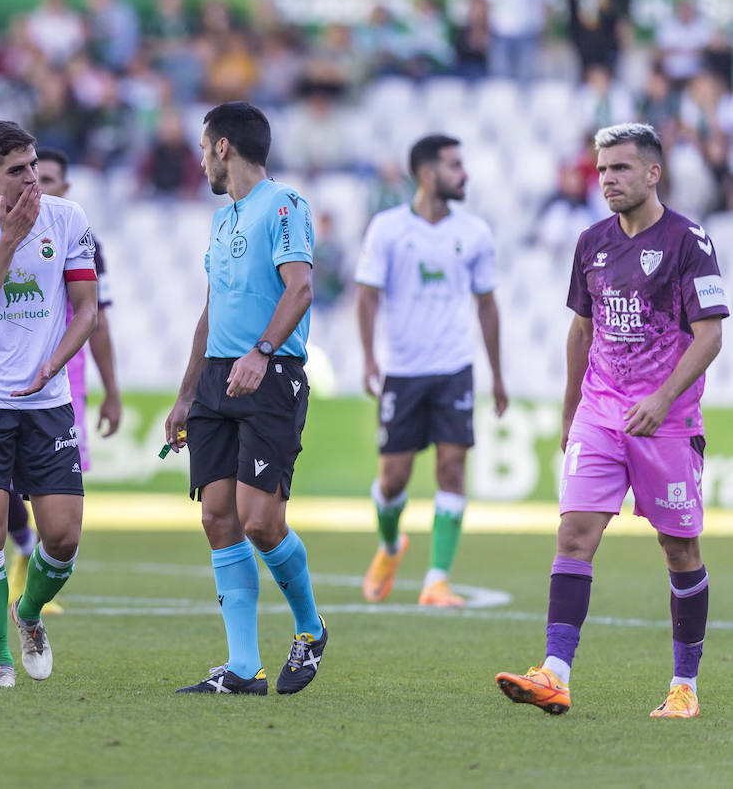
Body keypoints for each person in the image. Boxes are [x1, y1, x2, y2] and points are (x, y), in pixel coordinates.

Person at [497, 123, 726, 719]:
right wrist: (572, 407)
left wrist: (664, 398)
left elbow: (710, 336)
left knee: (680, 549)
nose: (607, 181)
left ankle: (684, 687)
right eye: (601, 171)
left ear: (653, 173)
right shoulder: (590, 241)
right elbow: (582, 329)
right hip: (600, 414)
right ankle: (555, 673)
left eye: (620, 169)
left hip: (666, 423)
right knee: (574, 535)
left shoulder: (688, 242)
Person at [163, 101, 326, 696]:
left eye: (205, 148)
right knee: (216, 517)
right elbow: (211, 310)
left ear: (223, 146)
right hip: (216, 380)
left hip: (270, 374)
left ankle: (309, 629)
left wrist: (261, 352)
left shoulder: (284, 205)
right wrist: (186, 394)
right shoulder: (223, 219)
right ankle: (243, 667)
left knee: (261, 521)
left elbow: (301, 287)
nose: (202, 160)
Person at [0, 121, 98, 688]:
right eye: (17, 171)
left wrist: (51, 366)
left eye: (33, 166)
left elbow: (86, 310)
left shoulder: (69, 219)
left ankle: (27, 612)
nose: (31, 179)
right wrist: (8, 239)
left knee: (64, 536)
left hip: (49, 399)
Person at [355, 135, 508, 608]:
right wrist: (368, 357)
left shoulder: (476, 233)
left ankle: (436, 580)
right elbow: (366, 297)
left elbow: (487, 306)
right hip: (403, 371)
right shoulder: (386, 229)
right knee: (394, 480)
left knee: (452, 468)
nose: (464, 174)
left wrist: (498, 375)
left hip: (454, 369)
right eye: (454, 166)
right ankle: (389, 546)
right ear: (426, 173)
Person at [3, 148, 121, 613]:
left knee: (54, 492)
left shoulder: (83, 240)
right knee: (2, 481)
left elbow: (100, 321)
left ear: (65, 189)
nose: (39, 188)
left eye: (49, 180)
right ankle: (23, 545)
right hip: (4, 377)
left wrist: (111, 391)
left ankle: (33, 565)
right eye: (33, 178)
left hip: (63, 382)